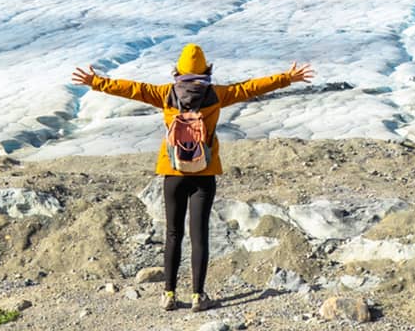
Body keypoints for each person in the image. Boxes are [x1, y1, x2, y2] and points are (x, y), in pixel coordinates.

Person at [71, 44, 314, 312]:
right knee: (199, 236)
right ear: (206, 69)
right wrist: (287, 78)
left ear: (179, 70)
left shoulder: (165, 93)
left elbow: (131, 89)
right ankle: (198, 296)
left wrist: (96, 82)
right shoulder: (216, 94)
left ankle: (169, 295)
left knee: (173, 234)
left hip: (172, 172)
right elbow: (250, 88)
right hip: (204, 172)